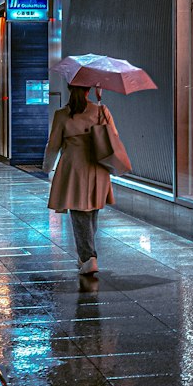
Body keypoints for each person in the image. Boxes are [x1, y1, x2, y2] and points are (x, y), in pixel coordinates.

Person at [42, 85, 123, 276]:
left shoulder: (62, 114)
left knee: (80, 213)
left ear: (69, 88)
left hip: (74, 167)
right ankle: (86, 256)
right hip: (97, 166)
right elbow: (114, 137)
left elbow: (53, 144)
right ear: (89, 89)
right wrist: (99, 103)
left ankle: (88, 257)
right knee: (91, 210)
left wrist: (47, 167)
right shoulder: (101, 110)